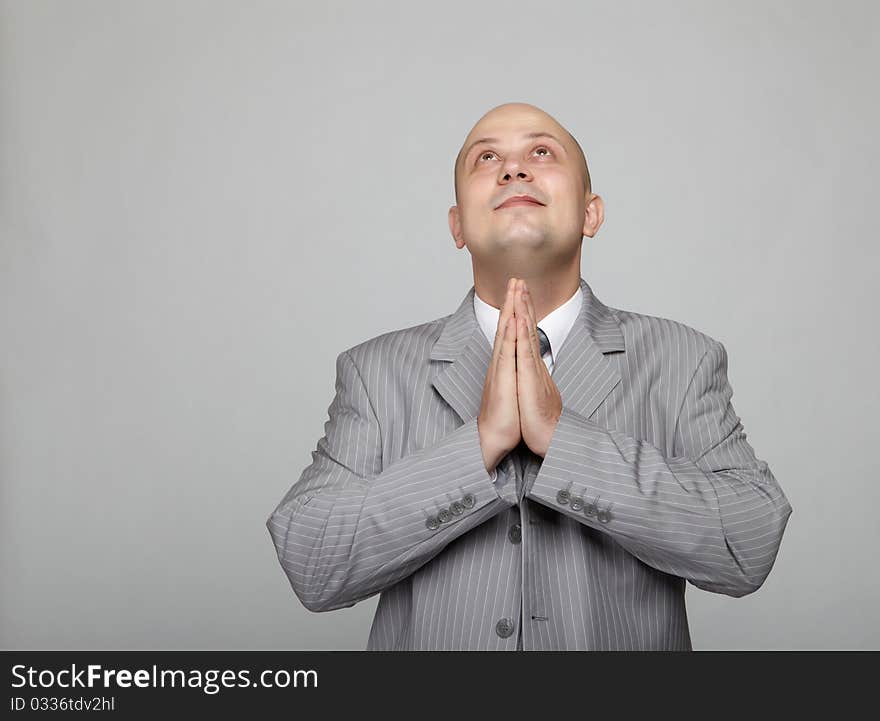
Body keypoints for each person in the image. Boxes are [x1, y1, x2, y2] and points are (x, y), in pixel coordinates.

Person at [266, 102, 793, 651]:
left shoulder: (683, 359)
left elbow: (748, 544)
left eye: (542, 153)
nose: (514, 169)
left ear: (591, 214)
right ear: (458, 227)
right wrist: (479, 446)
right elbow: (312, 563)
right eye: (486, 157)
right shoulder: (374, 372)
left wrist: (565, 441)